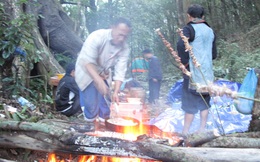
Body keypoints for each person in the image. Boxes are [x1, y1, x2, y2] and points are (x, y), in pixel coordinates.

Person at [75, 17, 132, 122]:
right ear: (112, 27)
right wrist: (98, 80)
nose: (121, 39)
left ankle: (103, 127)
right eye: (120, 34)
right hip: (86, 71)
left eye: (125, 36)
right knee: (91, 105)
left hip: (103, 72)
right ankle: (91, 126)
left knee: (106, 103)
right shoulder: (97, 37)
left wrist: (116, 91)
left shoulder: (125, 48)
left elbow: (120, 70)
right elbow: (87, 61)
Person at [177, 4, 217, 134]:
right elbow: (214, 54)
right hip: (208, 73)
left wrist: (185, 64)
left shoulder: (188, 29)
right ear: (203, 16)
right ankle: (202, 130)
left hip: (193, 72)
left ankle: (185, 131)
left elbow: (180, 44)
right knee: (205, 101)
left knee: (190, 103)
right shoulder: (210, 30)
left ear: (189, 16)